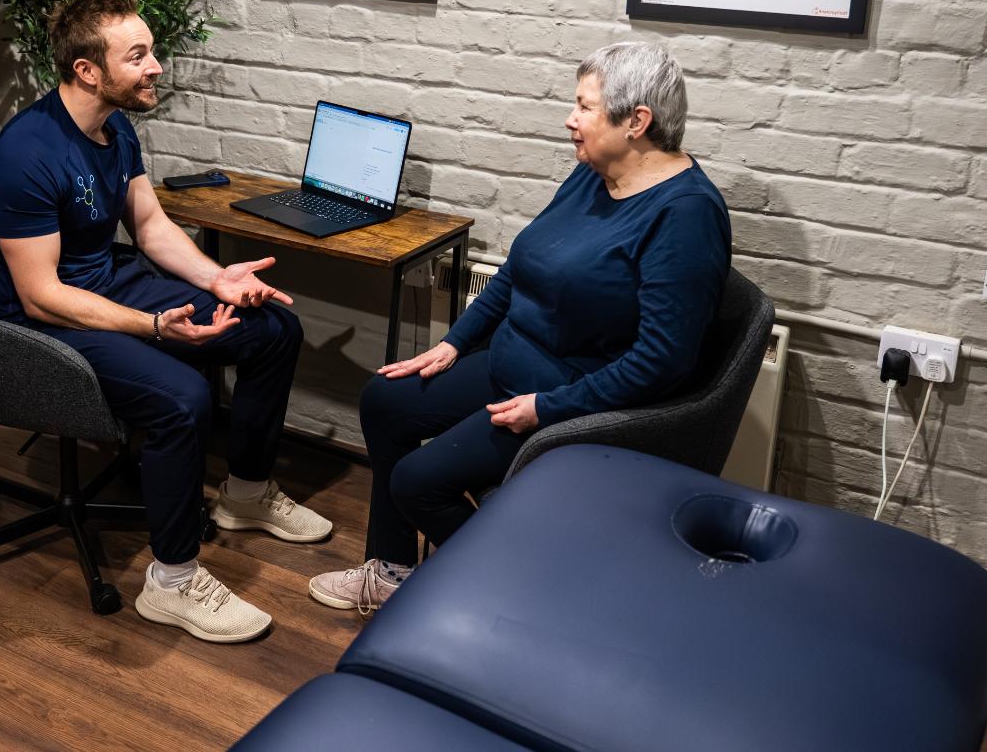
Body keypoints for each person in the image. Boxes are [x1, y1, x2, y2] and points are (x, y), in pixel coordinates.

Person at [309, 41, 730, 613]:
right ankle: (394, 572)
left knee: (416, 482)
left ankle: (518, 596)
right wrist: (454, 342)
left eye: (584, 107)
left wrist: (548, 408)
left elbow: (663, 361)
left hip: (574, 400)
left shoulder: (685, 216)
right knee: (386, 398)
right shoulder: (594, 174)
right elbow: (518, 268)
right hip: (514, 366)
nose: (570, 119)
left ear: (637, 122)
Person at [0, 0, 331, 643]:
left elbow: (151, 226)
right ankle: (169, 584)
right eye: (138, 55)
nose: (157, 66)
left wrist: (216, 277)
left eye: (152, 52)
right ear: (88, 70)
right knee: (181, 397)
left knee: (274, 328)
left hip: (109, 282)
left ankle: (245, 494)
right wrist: (157, 327)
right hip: (40, 325)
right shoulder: (27, 156)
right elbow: (40, 296)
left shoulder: (115, 129)